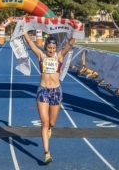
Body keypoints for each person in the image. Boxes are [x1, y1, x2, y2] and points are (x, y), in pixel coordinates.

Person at [23, 33, 75, 164]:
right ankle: (47, 153)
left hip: (56, 92)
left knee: (51, 123)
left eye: (53, 48)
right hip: (43, 91)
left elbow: (70, 43)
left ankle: (50, 128)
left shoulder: (60, 56)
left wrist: (76, 31)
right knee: (44, 122)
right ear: (45, 47)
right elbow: (30, 43)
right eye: (49, 48)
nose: (51, 50)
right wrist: (23, 29)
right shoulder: (41, 56)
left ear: (56, 48)